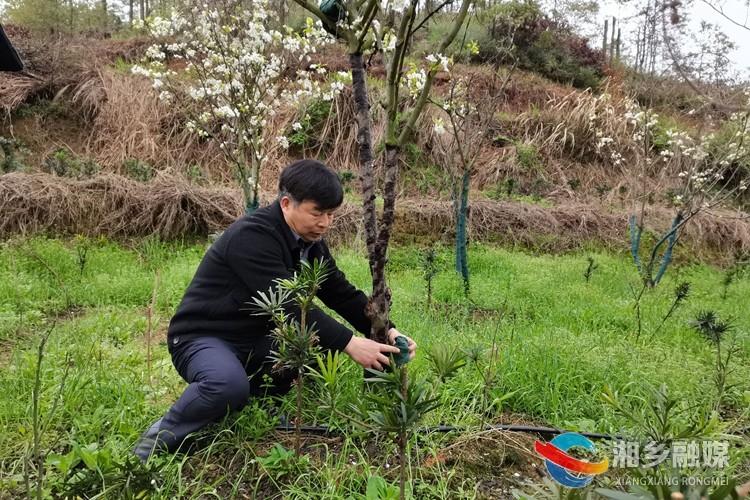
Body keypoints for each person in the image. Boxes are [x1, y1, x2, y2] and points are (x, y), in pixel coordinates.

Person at [134, 159, 416, 461]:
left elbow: (339, 292)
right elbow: (287, 304)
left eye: (331, 214)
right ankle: (153, 445)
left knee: (310, 347)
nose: (325, 223)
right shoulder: (252, 237)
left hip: (254, 339)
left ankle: (261, 408)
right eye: (317, 213)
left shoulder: (310, 243)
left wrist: (387, 329)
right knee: (225, 384)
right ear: (286, 203)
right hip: (204, 337)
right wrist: (350, 342)